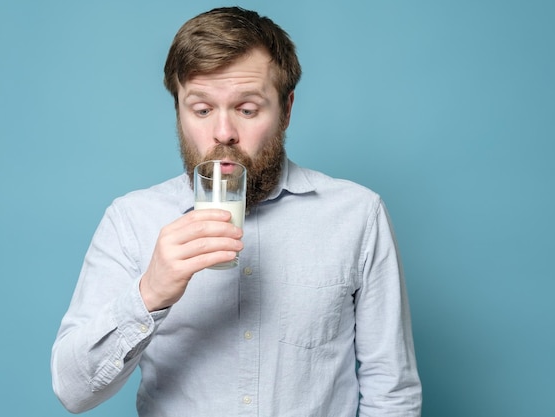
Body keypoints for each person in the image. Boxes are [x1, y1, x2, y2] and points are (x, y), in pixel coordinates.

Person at [51, 6, 422, 416]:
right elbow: (73, 391)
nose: (224, 132)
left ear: (286, 109)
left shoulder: (357, 215)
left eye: (247, 109)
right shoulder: (131, 220)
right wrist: (150, 292)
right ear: (178, 110)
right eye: (202, 109)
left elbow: (392, 390)